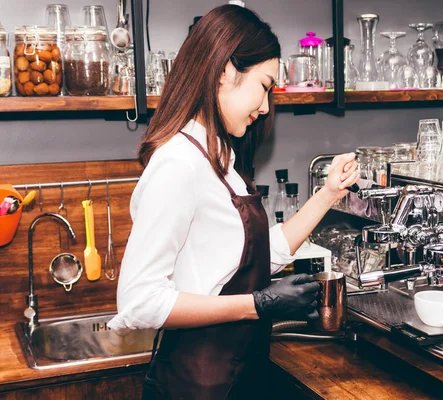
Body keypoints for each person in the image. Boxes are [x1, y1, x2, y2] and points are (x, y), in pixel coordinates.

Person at [107, 4, 359, 399]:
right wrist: (259, 304)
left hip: (239, 378)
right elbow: (140, 302)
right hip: (193, 387)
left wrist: (328, 194)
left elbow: (257, 254)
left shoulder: (219, 158)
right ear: (226, 72)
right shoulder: (178, 162)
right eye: (264, 86)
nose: (264, 107)